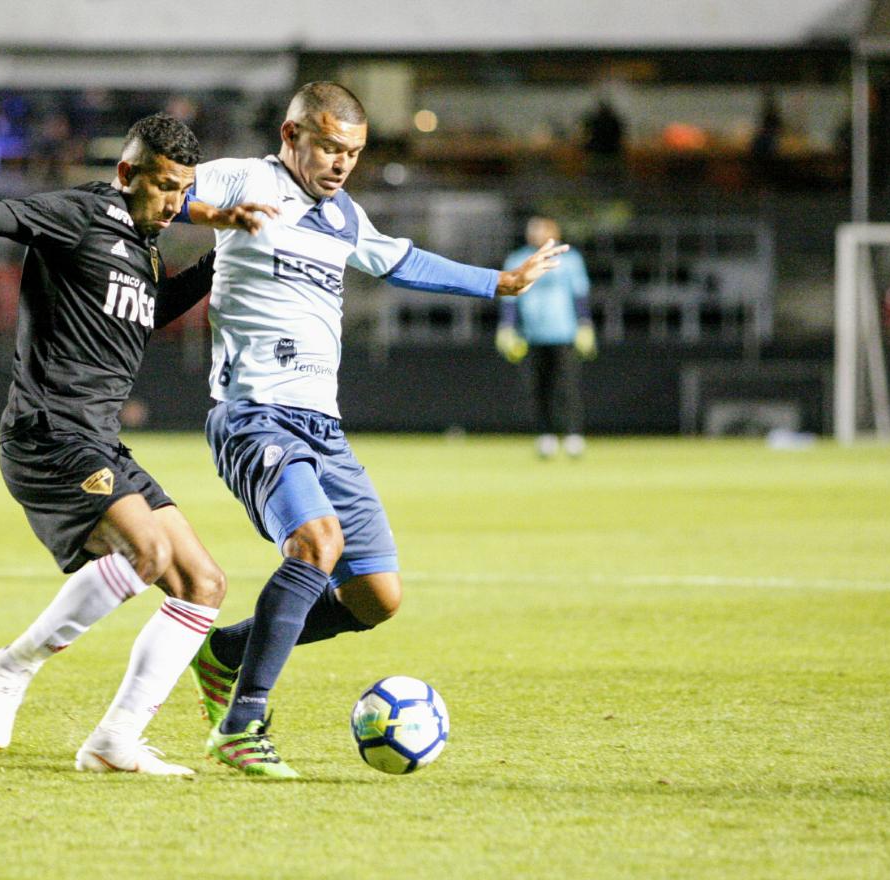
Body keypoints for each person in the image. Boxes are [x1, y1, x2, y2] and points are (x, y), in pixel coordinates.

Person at [0, 113, 272, 775]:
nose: (176, 203)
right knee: (148, 552)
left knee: (204, 585)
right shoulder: (80, 214)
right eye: (163, 188)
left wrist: (217, 259)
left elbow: (144, 313)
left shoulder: (144, 237)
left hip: (99, 440)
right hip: (48, 435)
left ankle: (114, 740)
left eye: (184, 191)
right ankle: (10, 667)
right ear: (127, 174)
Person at [179, 82, 567, 777]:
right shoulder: (246, 177)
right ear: (291, 134)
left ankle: (227, 653)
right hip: (254, 413)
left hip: (322, 427)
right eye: (328, 146)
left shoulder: (344, 216)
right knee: (315, 543)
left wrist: (498, 283)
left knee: (375, 597)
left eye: (352, 152)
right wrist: (213, 213)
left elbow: (404, 259)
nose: (339, 163)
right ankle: (243, 722)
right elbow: (160, 188)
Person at [496, 216, 595, 459]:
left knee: (567, 387)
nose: (536, 233)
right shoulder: (518, 259)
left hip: (563, 332)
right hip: (532, 334)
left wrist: (584, 324)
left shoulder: (570, 260)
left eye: (541, 228)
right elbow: (509, 296)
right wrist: (507, 327)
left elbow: (580, 293)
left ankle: (573, 435)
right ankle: (546, 436)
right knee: (539, 388)